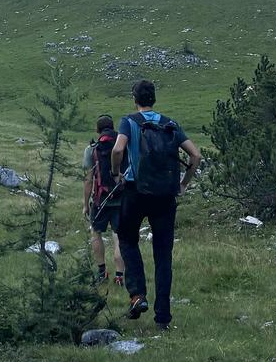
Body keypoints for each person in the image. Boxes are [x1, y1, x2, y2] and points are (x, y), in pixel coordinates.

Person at [110, 80, 202, 329]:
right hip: (165, 195)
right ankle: (163, 318)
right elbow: (195, 155)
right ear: (154, 99)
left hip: (136, 191)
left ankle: (138, 295)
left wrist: (116, 173)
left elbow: (118, 150)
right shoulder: (170, 123)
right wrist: (183, 184)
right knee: (163, 254)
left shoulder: (129, 121)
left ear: (135, 99)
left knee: (127, 239)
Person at [83, 115, 125, 286]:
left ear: (97, 130)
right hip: (121, 198)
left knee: (96, 232)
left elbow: (88, 180)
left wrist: (85, 205)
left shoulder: (91, 149)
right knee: (118, 236)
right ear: (113, 127)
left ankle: (102, 272)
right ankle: (120, 276)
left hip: (100, 199)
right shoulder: (122, 145)